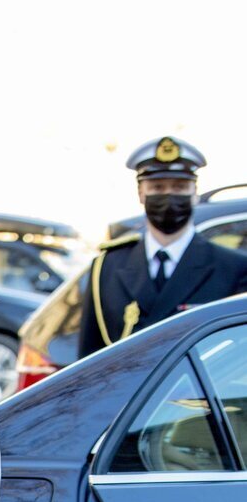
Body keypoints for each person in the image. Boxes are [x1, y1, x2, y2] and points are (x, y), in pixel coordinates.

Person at [78, 136, 247, 359]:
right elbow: (90, 358)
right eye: (157, 187)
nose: (169, 196)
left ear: (194, 193)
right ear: (141, 193)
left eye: (179, 187)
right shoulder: (107, 266)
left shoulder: (233, 268)